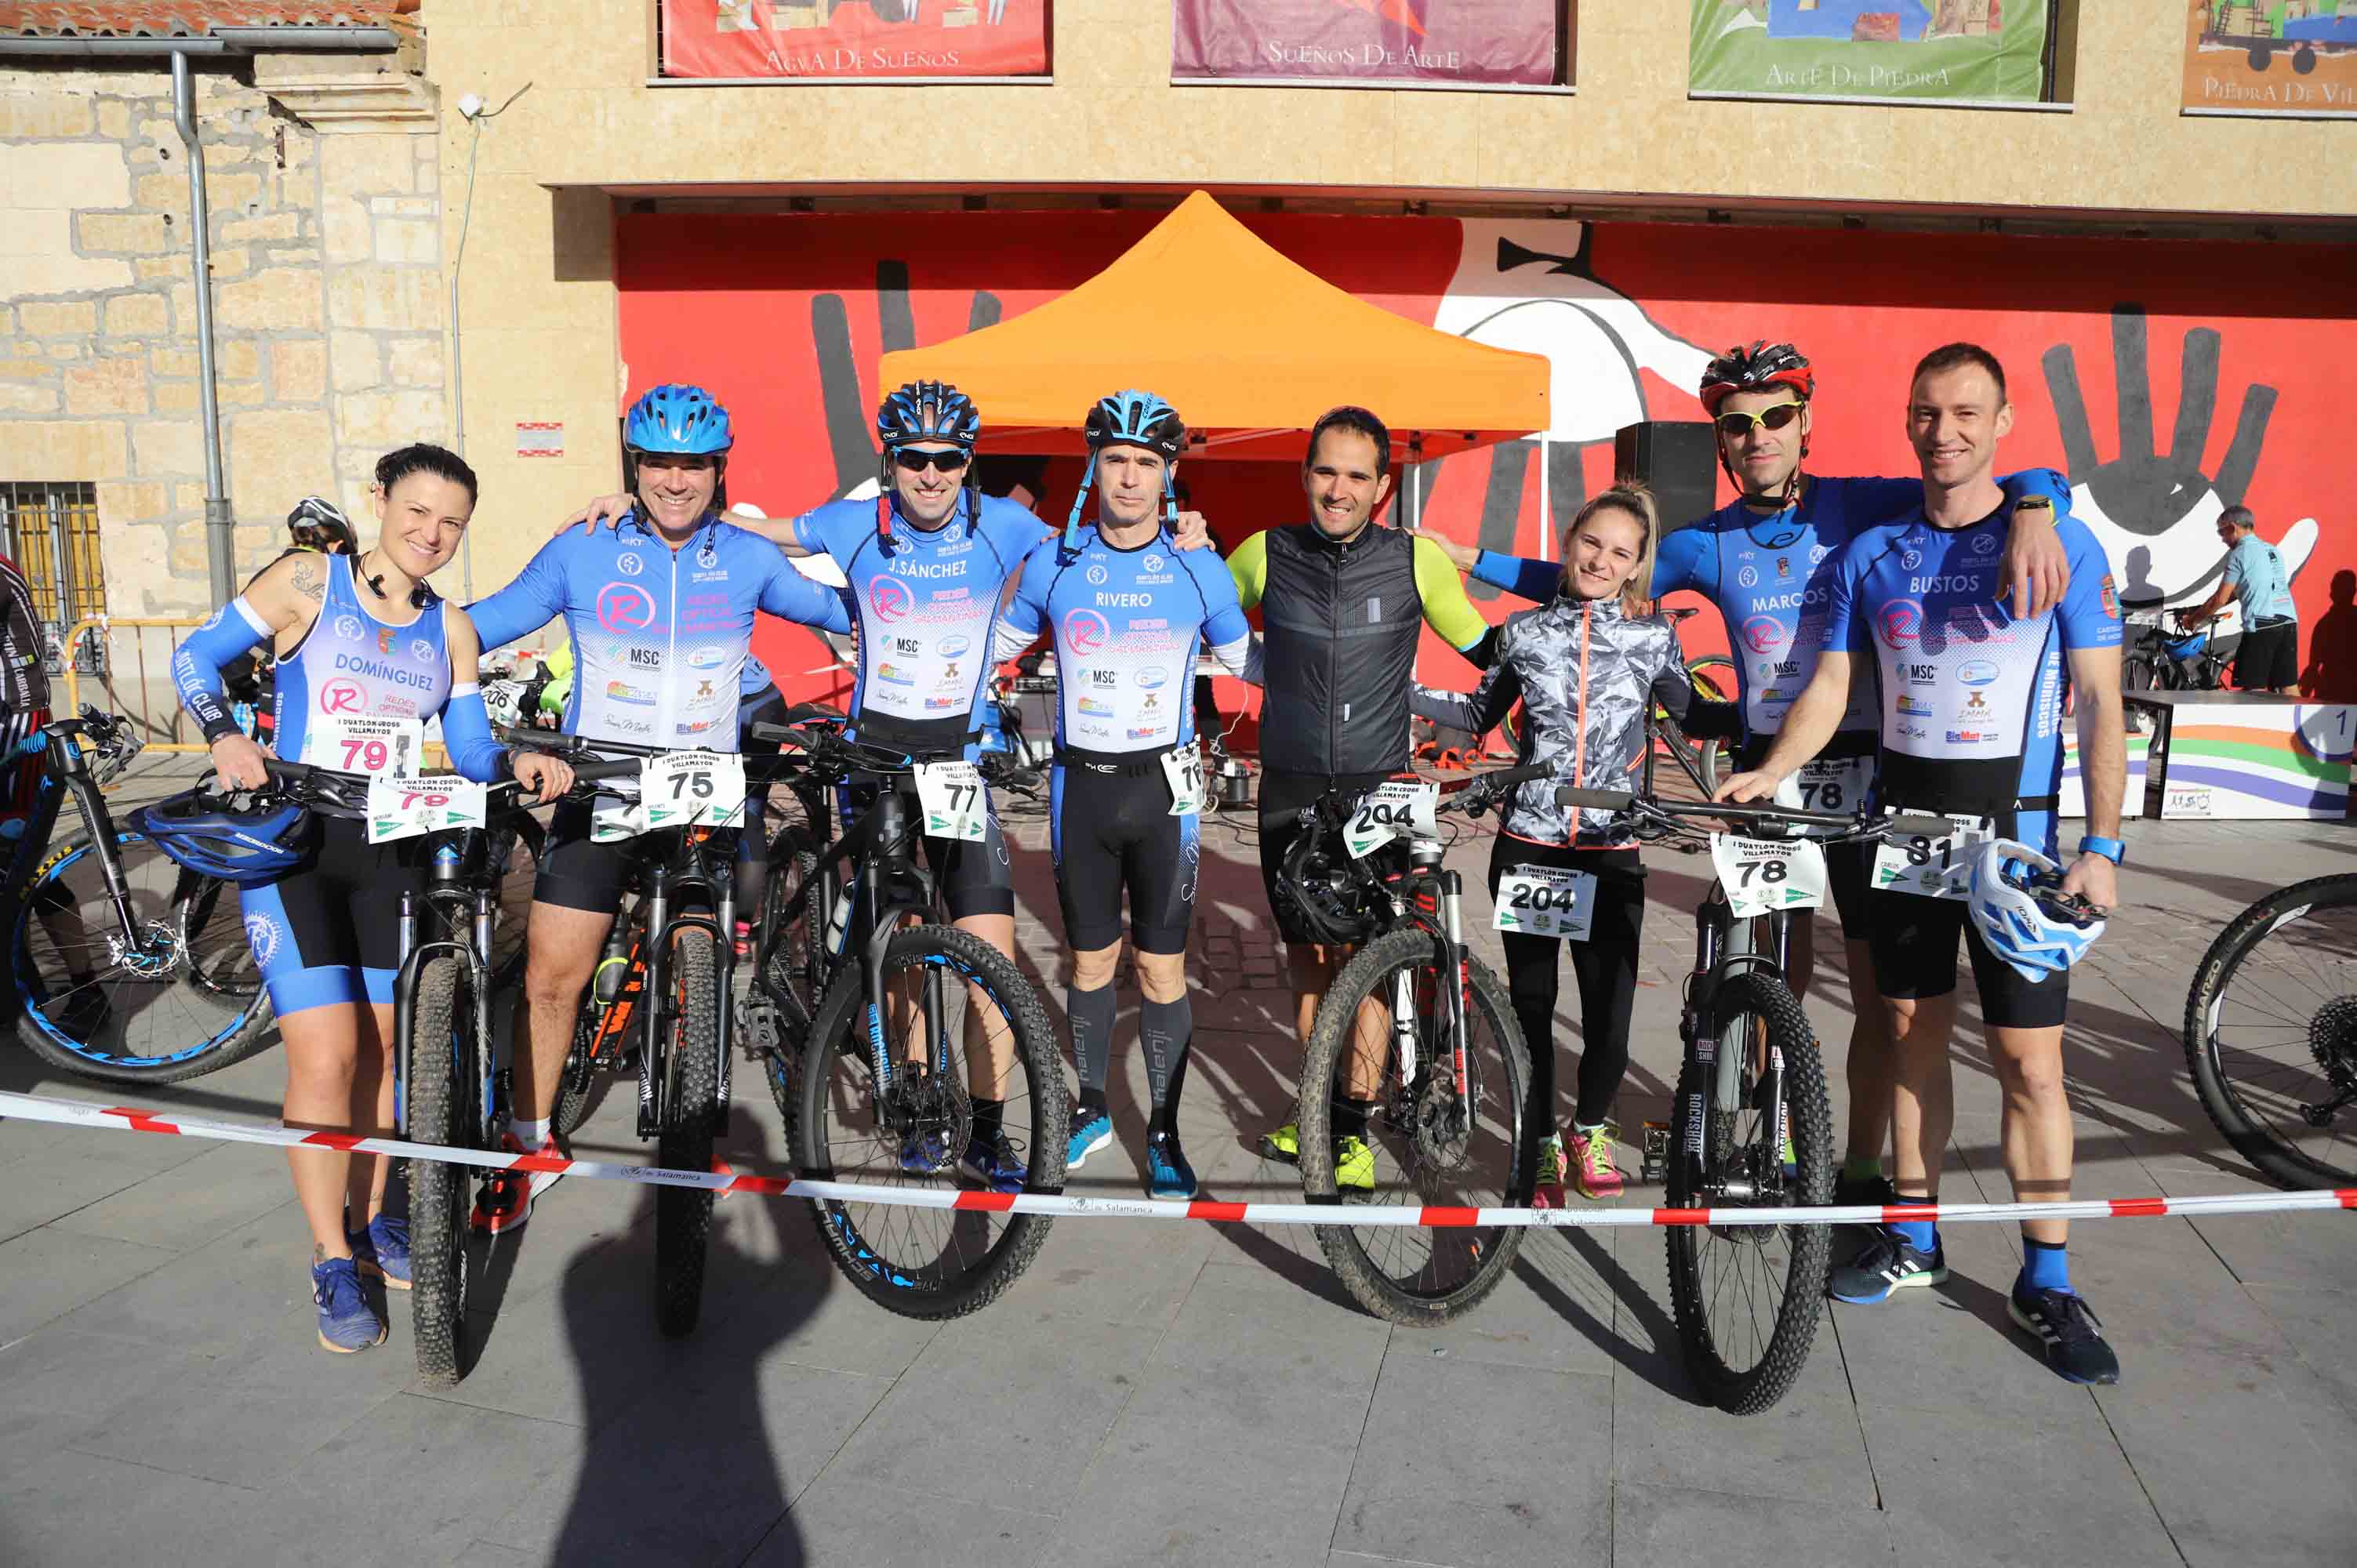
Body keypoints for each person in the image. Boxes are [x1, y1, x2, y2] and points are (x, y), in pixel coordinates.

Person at [1424, 340, 2073, 1208]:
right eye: (1737, 422)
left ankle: (1858, 1166)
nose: (1757, 434)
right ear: (1721, 440)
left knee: (1891, 1000)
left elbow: (1984, 478)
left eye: (1775, 416)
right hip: (1770, 779)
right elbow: (1589, 577)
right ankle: (1765, 1128)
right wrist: (1471, 558)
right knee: (1774, 977)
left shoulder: (1862, 505)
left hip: (1869, 774)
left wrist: (2036, 503)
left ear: (1805, 422)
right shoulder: (1708, 542)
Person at [564, 383, 1213, 1191]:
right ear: (891, 462)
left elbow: (1102, 543)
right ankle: (912, 1099)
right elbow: (750, 526)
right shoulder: (850, 522)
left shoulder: (1007, 526)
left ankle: (984, 1126)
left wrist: (1188, 529)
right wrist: (636, 503)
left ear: (968, 464)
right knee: (896, 953)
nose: (931, 475)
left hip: (959, 768)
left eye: (947, 460)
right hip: (875, 765)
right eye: (914, 459)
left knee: (988, 957)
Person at [1716, 343, 2129, 1385]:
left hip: (2019, 837)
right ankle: (1912, 1234)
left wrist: (2103, 847)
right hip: (1905, 830)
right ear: (1905, 422)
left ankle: (2046, 1277)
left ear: (2000, 421)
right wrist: (1769, 772)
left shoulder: (2057, 539)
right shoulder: (1872, 552)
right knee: (1904, 1028)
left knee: (2029, 1061)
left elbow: (2097, 702)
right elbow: (1827, 685)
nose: (1941, 431)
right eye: (1924, 412)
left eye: (1963, 412)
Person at [170, 444, 576, 1353]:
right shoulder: (310, 582)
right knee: (328, 1050)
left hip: (389, 847)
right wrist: (226, 736)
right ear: (381, 500)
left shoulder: (454, 629)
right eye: (418, 512)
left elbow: (467, 747)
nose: (432, 534)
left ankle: (371, 1220)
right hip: (298, 846)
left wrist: (512, 760)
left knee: (390, 1048)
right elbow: (195, 656)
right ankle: (329, 1257)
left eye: (452, 524)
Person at [466, 386, 852, 1232]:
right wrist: (378, 631)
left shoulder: (747, 557)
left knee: (717, 935)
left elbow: (852, 610)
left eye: (693, 463)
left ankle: (692, 1084)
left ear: (720, 468)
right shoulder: (582, 549)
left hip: (702, 788)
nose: (676, 480)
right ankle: (531, 1140)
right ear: (633, 465)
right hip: (599, 786)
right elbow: (475, 626)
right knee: (551, 978)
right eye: (658, 462)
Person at [1412, 485, 1734, 1203]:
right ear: (1570, 543)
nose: (1601, 559)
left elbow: (1699, 718)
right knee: (1530, 1007)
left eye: (1620, 552)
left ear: (1636, 567)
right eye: (1592, 542)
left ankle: (1588, 1130)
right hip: (1530, 842)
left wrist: (1784, 711)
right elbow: (1473, 711)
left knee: (1609, 1019)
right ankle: (1535, 1138)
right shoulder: (1523, 633)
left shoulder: (1654, 638)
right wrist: (1384, 687)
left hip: (1611, 848)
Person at [990, 391, 1251, 1200]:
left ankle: (1166, 1130)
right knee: (1090, 959)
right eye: (1117, 461)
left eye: (1146, 462)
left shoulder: (1197, 564)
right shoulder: (1055, 563)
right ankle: (1095, 1106)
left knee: (1162, 968)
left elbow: (1252, 660)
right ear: (1095, 468)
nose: (1131, 478)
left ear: (1168, 473)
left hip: (1163, 795)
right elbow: (989, 649)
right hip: (1081, 790)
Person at [1234, 405, 1498, 1191]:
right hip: (1288, 782)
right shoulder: (1266, 551)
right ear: (1305, 474)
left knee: (1369, 959)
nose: (1338, 488)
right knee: (1308, 960)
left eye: (1356, 474)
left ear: (1383, 485)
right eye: (1325, 471)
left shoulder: (1416, 561)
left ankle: (1348, 1124)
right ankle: (1319, 1105)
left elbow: (1491, 651)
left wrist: (1518, 716)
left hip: (1376, 787)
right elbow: (1192, 615)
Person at [2176, 505, 2299, 695]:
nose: (2222, 539)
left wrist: (2194, 619)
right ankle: (2295, 727)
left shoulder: (2239, 554)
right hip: (2288, 621)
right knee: (2288, 685)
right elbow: (2243, 589)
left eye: (2222, 532)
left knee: (2254, 691)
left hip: (2261, 623)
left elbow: (2220, 598)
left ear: (2233, 527)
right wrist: (2203, 608)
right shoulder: (2272, 551)